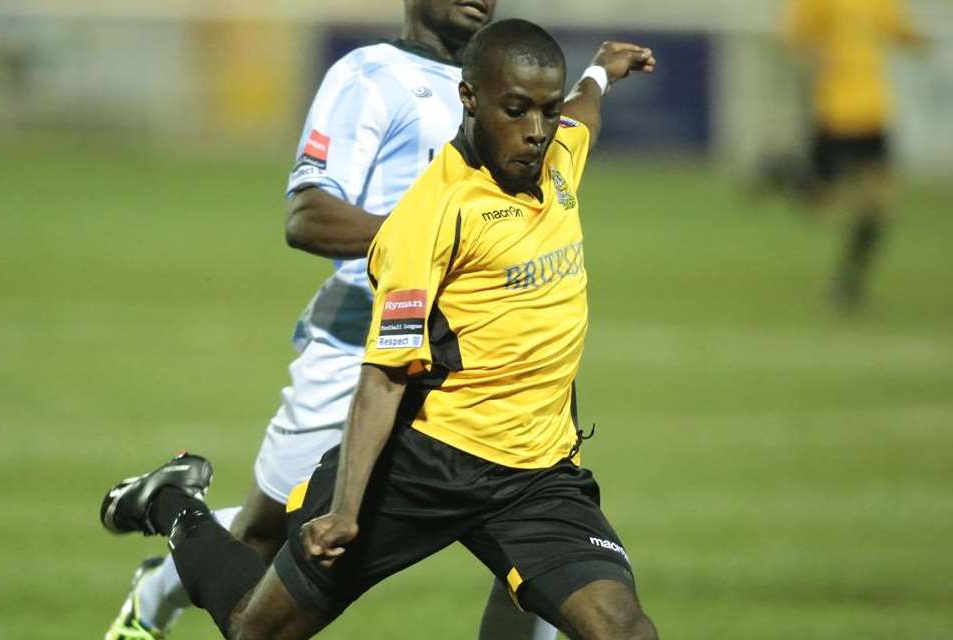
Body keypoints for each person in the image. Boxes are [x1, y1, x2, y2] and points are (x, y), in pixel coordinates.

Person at [101, 18, 659, 640]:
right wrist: (343, 509)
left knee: (624, 631)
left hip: (538, 475)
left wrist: (601, 71)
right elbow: (385, 376)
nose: (535, 131)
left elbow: (583, 114)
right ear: (469, 100)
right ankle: (172, 504)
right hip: (429, 466)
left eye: (546, 112)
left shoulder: (557, 156)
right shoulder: (429, 217)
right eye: (517, 110)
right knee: (256, 629)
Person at [783, 0, 926, 309]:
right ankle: (781, 174)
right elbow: (797, 39)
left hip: (874, 111)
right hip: (834, 111)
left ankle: (848, 286)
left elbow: (901, 32)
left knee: (880, 203)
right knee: (822, 205)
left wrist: (920, 41)